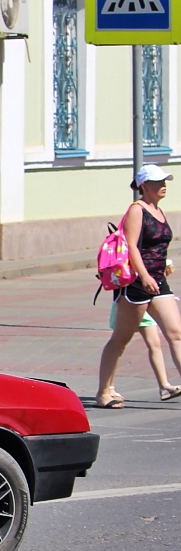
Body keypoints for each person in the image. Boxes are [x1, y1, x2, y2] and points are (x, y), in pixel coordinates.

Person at [97, 164, 181, 408]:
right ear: (144, 185)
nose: (163, 185)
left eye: (165, 180)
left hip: (159, 280)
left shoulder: (159, 210)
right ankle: (104, 392)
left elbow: (155, 246)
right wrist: (144, 276)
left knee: (175, 333)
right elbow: (132, 246)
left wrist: (163, 264)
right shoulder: (137, 210)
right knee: (121, 339)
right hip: (136, 282)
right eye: (157, 181)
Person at [105, 301, 181, 404]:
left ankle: (164, 386)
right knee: (119, 344)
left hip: (149, 305)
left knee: (155, 343)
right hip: (130, 303)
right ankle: (109, 387)